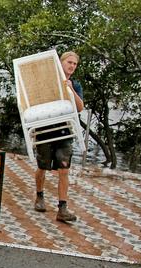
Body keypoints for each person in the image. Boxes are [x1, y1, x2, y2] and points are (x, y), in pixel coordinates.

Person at [33, 51, 84, 223]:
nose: (72, 66)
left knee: (64, 170)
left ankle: (62, 208)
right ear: (60, 63)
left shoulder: (75, 85)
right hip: (45, 130)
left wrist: (70, 89)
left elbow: (79, 108)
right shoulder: (49, 81)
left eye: (75, 64)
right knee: (42, 167)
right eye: (69, 62)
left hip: (64, 132)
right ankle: (39, 196)